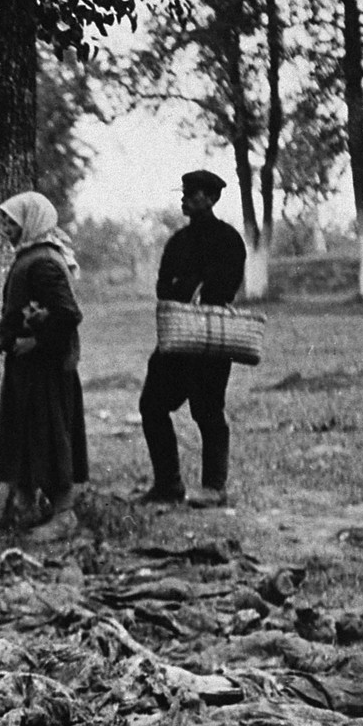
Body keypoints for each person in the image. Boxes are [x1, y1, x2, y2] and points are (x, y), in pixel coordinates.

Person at [140, 168, 248, 508]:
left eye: (194, 192)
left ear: (212, 198)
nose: (185, 198)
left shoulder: (229, 239)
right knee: (151, 405)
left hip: (210, 340)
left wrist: (191, 286)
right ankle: (167, 485)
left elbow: (225, 286)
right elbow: (162, 286)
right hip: (176, 340)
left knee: (208, 411)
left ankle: (214, 488)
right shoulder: (177, 241)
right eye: (184, 192)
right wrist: (185, 288)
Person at [0, 192, 88, 540]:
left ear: (30, 221)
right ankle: (27, 508)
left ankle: (63, 515)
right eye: (3, 221)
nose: (4, 228)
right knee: (27, 436)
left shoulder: (43, 261)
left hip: (45, 370)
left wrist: (36, 340)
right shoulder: (31, 257)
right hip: (28, 369)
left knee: (50, 436)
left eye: (10, 221)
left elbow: (68, 314)